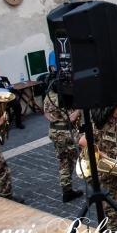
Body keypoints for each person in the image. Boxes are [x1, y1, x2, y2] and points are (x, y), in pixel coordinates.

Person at [78, 104, 117, 232]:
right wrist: (101, 155)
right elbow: (82, 141)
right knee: (113, 208)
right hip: (107, 173)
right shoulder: (98, 126)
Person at [43, 74, 85, 203]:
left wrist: (55, 120)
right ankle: (96, 186)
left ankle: (67, 190)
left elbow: (46, 113)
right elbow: (71, 118)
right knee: (81, 160)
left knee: (63, 161)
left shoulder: (49, 96)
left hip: (55, 132)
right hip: (67, 133)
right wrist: (78, 108)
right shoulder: (62, 98)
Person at [0, 64, 24, 129]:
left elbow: (11, 89)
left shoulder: (4, 79)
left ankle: (19, 123)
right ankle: (4, 126)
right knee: (2, 108)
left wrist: (11, 89)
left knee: (17, 104)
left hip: (8, 99)